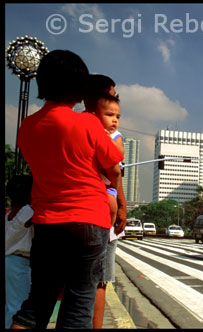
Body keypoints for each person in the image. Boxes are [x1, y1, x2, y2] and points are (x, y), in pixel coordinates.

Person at [11, 50, 125, 329]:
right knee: (78, 306)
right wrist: (121, 205)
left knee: (37, 304)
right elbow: (114, 165)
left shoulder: (27, 127)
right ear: (77, 86)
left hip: (47, 223)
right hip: (89, 221)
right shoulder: (87, 122)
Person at [83, 74, 127, 328]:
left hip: (96, 201)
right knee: (99, 278)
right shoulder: (92, 130)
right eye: (112, 93)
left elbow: (115, 163)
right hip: (96, 207)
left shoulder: (112, 135)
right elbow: (116, 170)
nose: (117, 96)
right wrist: (121, 207)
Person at [5, 175, 34, 328]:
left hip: (12, 262)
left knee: (12, 304)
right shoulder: (27, 211)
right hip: (19, 263)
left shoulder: (12, 212)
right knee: (18, 306)